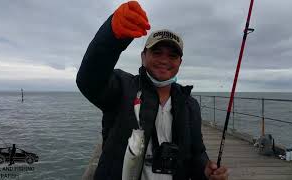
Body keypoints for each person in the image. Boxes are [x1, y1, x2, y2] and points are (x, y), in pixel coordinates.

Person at [76, 1, 229, 180]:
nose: (164, 60)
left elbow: (197, 152)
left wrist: (205, 170)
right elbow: (89, 80)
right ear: (143, 57)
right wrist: (112, 35)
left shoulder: (189, 104)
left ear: (180, 63)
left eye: (172, 56)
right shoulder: (121, 87)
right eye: (157, 52)